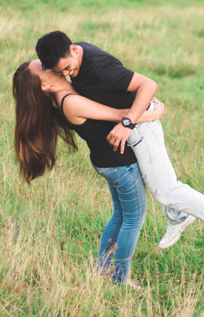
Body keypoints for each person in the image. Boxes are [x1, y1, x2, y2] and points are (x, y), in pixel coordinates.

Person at [35, 31, 204, 267]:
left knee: (166, 190)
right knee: (159, 181)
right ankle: (178, 215)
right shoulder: (71, 60)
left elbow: (149, 84)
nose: (68, 75)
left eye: (68, 68)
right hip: (133, 124)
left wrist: (129, 123)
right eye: (61, 72)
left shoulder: (99, 67)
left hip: (139, 126)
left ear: (74, 49)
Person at [12, 58, 166, 287]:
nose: (49, 65)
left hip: (110, 163)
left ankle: (102, 270)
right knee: (133, 219)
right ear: (44, 86)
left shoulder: (70, 92)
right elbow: (120, 115)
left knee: (120, 216)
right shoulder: (70, 102)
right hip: (120, 165)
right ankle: (120, 279)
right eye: (43, 68)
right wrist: (154, 113)